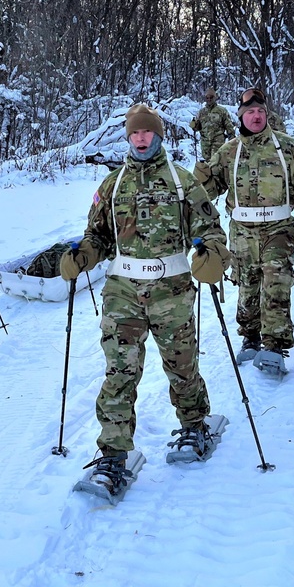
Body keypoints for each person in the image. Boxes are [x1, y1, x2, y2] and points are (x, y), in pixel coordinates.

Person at [60, 103, 230, 493]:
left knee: (181, 365)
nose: (140, 138)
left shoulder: (182, 181)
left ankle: (194, 425)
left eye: (147, 132)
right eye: (134, 132)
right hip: (122, 292)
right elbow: (98, 236)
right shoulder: (112, 185)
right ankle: (113, 457)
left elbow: (211, 230)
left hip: (171, 291)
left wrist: (211, 257)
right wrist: (82, 255)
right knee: (120, 372)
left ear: (158, 135)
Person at [193, 88, 294, 373]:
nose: (255, 117)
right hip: (241, 231)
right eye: (249, 112)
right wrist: (202, 179)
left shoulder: (288, 148)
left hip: (279, 228)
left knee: (276, 277)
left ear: (267, 115)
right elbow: (209, 190)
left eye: (260, 112)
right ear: (241, 116)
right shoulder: (228, 152)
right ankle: (250, 337)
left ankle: (274, 345)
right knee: (247, 283)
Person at [188, 87, 236, 161]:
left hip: (218, 142)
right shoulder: (201, 112)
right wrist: (194, 124)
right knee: (207, 165)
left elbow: (229, 126)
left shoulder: (221, 111)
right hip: (205, 143)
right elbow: (196, 128)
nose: (209, 99)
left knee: (217, 163)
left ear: (215, 97)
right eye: (207, 97)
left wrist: (232, 140)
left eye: (211, 97)